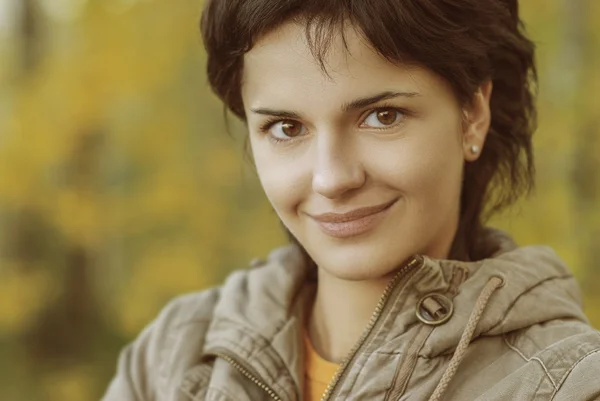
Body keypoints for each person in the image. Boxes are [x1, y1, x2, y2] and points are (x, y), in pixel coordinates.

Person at [103, 0, 600, 400]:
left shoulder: (568, 386)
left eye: (382, 117)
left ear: (472, 113)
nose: (331, 178)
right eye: (286, 127)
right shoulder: (173, 356)